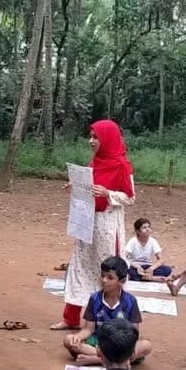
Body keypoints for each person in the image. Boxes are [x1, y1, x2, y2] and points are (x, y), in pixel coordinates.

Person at [52, 120, 136, 330]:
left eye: (96, 137)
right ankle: (70, 318)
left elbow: (130, 197)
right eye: (90, 136)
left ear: (107, 139)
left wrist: (109, 194)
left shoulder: (122, 166)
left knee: (107, 271)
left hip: (107, 226)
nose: (91, 141)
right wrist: (76, 186)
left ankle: (113, 319)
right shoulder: (93, 163)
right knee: (80, 267)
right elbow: (89, 189)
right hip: (87, 223)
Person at [64, 256, 152, 366]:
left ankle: (95, 360)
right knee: (68, 340)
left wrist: (130, 345)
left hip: (121, 343)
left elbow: (134, 332)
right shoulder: (94, 298)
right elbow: (88, 329)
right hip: (99, 342)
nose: (104, 280)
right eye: (102, 276)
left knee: (146, 346)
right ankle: (119, 361)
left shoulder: (130, 301)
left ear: (122, 281)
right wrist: (78, 337)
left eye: (110, 277)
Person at [122, 218, 171, 282]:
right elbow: (123, 257)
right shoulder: (132, 241)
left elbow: (161, 260)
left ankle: (142, 277)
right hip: (135, 266)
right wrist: (137, 267)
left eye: (148, 227)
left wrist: (151, 269)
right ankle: (151, 278)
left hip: (148, 266)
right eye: (144, 227)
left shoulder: (153, 241)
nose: (147, 229)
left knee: (167, 270)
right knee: (124, 270)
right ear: (137, 231)